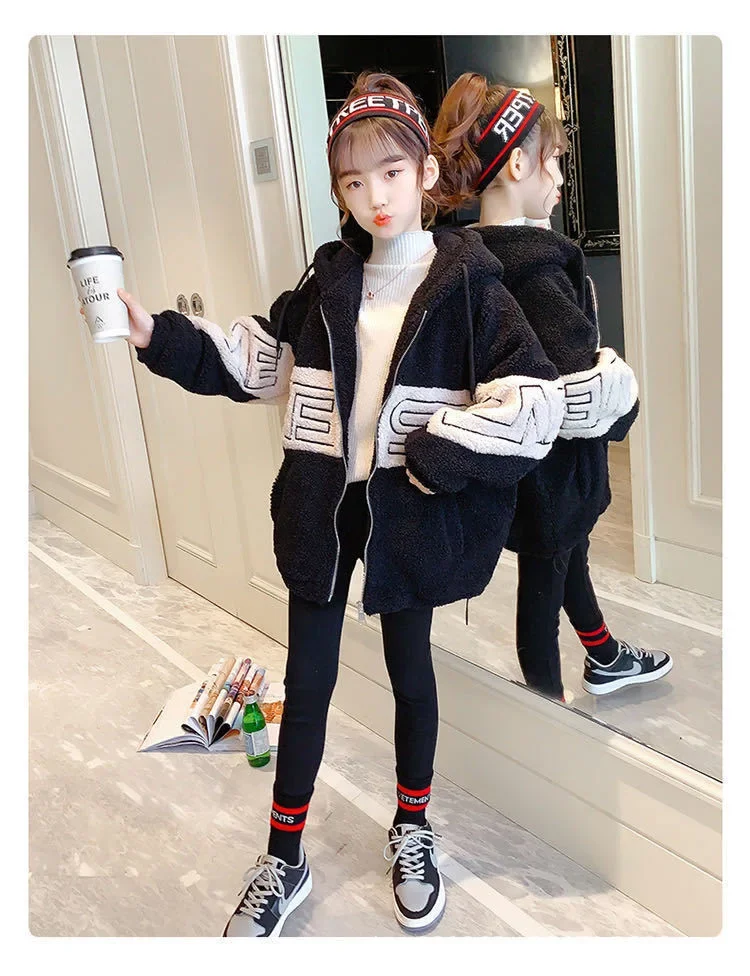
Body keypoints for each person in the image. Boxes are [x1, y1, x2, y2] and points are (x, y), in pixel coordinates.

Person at [108, 72, 565, 937]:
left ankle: (412, 828)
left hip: (411, 510)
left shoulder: (470, 284)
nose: (374, 197)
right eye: (354, 182)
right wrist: (156, 336)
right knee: (309, 681)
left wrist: (438, 452)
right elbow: (260, 362)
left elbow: (532, 401)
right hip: (323, 505)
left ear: (425, 173)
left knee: (411, 675)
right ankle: (284, 855)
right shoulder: (329, 282)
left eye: (391, 173)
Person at [434, 74, 673, 702]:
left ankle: (605, 655)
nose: (562, 177)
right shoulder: (535, 268)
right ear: (517, 164)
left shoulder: (472, 260)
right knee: (543, 590)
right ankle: (547, 707)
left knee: (568, 559)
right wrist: (619, 393)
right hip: (555, 472)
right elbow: (579, 383)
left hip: (522, 469)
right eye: (556, 160)